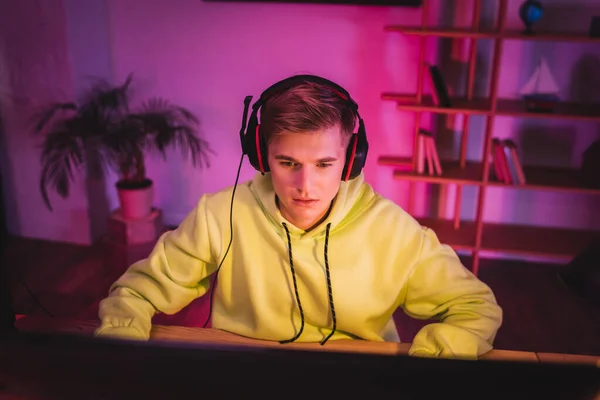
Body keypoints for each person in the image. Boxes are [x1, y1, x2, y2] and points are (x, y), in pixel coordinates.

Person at [94, 74, 502, 359]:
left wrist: (440, 352)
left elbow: (475, 307)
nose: (305, 186)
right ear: (260, 153)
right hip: (244, 381)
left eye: (324, 164)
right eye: (288, 162)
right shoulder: (220, 214)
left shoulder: (394, 231)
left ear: (350, 159)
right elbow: (136, 292)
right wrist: (121, 343)